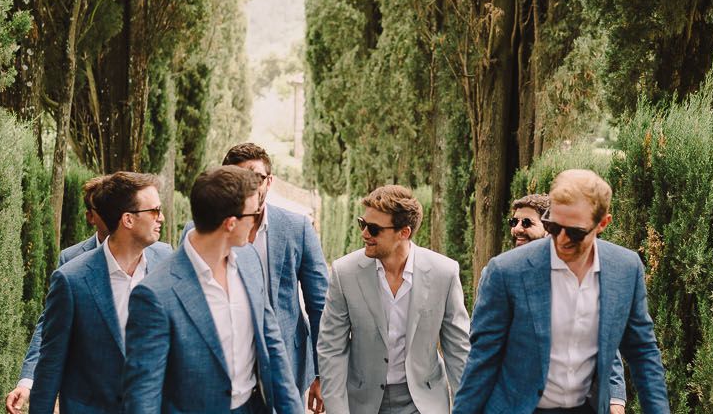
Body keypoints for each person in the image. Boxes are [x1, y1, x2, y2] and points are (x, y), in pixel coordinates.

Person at [452, 169, 669, 414]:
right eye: (554, 226)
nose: (562, 240)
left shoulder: (625, 268)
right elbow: (482, 359)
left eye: (575, 232)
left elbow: (642, 351)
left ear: (602, 224)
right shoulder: (506, 271)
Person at [121, 165, 304, 414]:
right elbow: (143, 396)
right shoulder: (155, 294)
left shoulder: (249, 260)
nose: (257, 221)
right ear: (230, 224)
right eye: (254, 214)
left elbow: (272, 345)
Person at [180, 142, 329, 412]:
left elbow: (319, 305)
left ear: (269, 181)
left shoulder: (298, 228)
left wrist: (322, 373)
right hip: (223, 366)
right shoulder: (196, 232)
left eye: (256, 178)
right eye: (239, 179)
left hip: (286, 360)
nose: (249, 187)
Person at [317, 184, 471, 414]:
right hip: (363, 402)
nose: (364, 233)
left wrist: (468, 407)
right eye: (362, 224)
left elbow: (458, 350)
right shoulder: (344, 273)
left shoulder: (444, 273)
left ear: (404, 233)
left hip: (423, 402)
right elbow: (331, 349)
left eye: (374, 229)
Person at [28, 172, 172, 414]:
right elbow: (51, 364)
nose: (162, 218)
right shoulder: (71, 280)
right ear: (128, 219)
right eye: (154, 211)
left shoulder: (166, 260)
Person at [6, 175, 111, 414]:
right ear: (90, 217)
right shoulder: (71, 259)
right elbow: (49, 325)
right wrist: (27, 382)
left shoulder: (157, 254)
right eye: (104, 208)